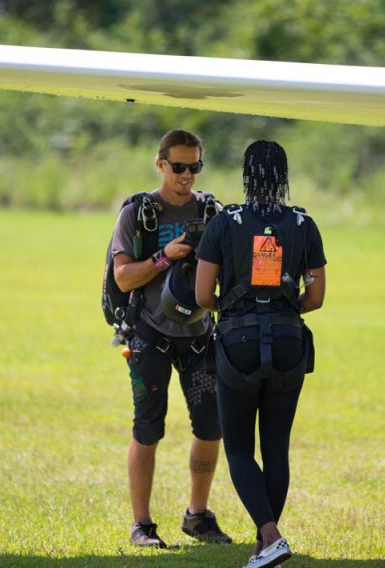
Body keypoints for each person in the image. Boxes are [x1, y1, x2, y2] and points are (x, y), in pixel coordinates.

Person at [195, 139, 326, 568]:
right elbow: (317, 296)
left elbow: (201, 294)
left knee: (237, 448)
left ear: (246, 174)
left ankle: (269, 537)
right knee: (276, 449)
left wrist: (231, 310)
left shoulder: (224, 222)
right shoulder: (304, 223)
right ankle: (263, 545)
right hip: (290, 340)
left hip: (237, 343)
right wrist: (287, 309)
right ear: (283, 175)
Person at [110, 129, 232, 549]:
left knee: (211, 425)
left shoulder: (214, 212)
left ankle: (197, 516)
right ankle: (141, 526)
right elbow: (123, 278)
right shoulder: (138, 213)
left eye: (194, 167)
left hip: (200, 336)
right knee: (148, 429)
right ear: (160, 164)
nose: (187, 176)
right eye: (178, 167)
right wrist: (168, 256)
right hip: (150, 336)